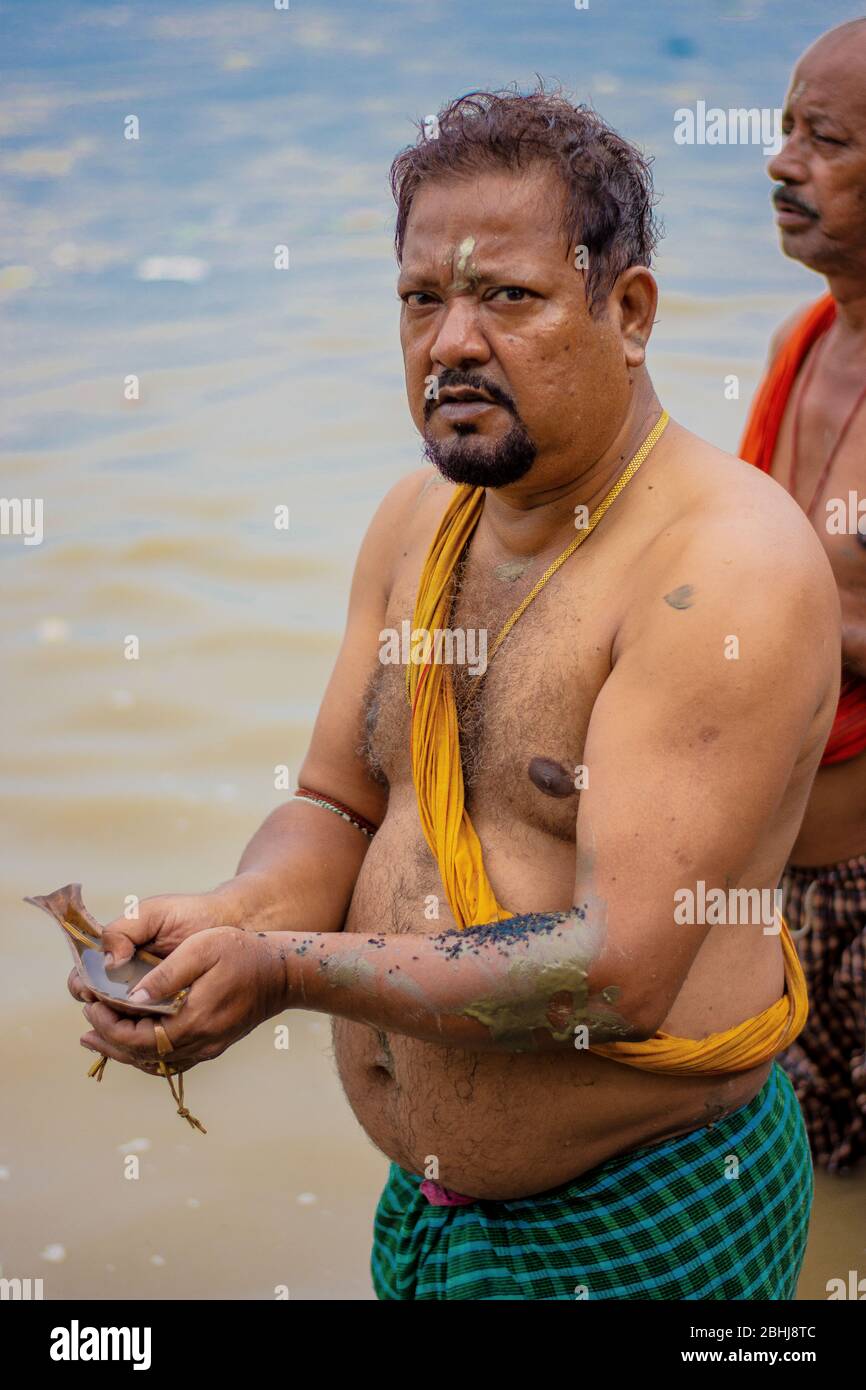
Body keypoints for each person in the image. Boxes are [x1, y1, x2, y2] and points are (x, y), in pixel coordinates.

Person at [73, 86, 839, 1300]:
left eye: (507, 297)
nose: (450, 343)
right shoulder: (418, 518)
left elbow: (615, 969)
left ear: (627, 311)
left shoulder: (721, 570)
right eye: (421, 299)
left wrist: (284, 969)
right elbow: (335, 800)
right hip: (429, 1208)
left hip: (645, 1215)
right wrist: (234, 915)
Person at [740, 19, 866, 1174]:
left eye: (820, 138)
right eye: (783, 129)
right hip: (774, 869)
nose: (780, 162)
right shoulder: (801, 335)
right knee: (808, 1178)